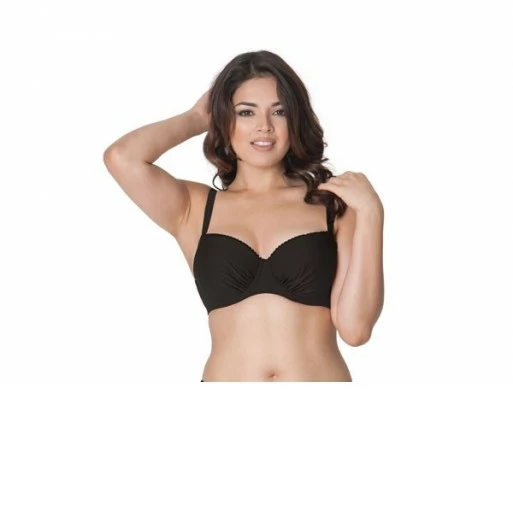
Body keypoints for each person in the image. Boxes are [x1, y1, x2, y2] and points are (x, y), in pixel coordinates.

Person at [103, 50, 384, 382]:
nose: (264, 126)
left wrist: (371, 213)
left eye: (279, 111)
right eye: (245, 112)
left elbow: (355, 329)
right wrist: (196, 118)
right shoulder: (194, 208)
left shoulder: (331, 205)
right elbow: (122, 157)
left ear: (295, 120)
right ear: (225, 120)